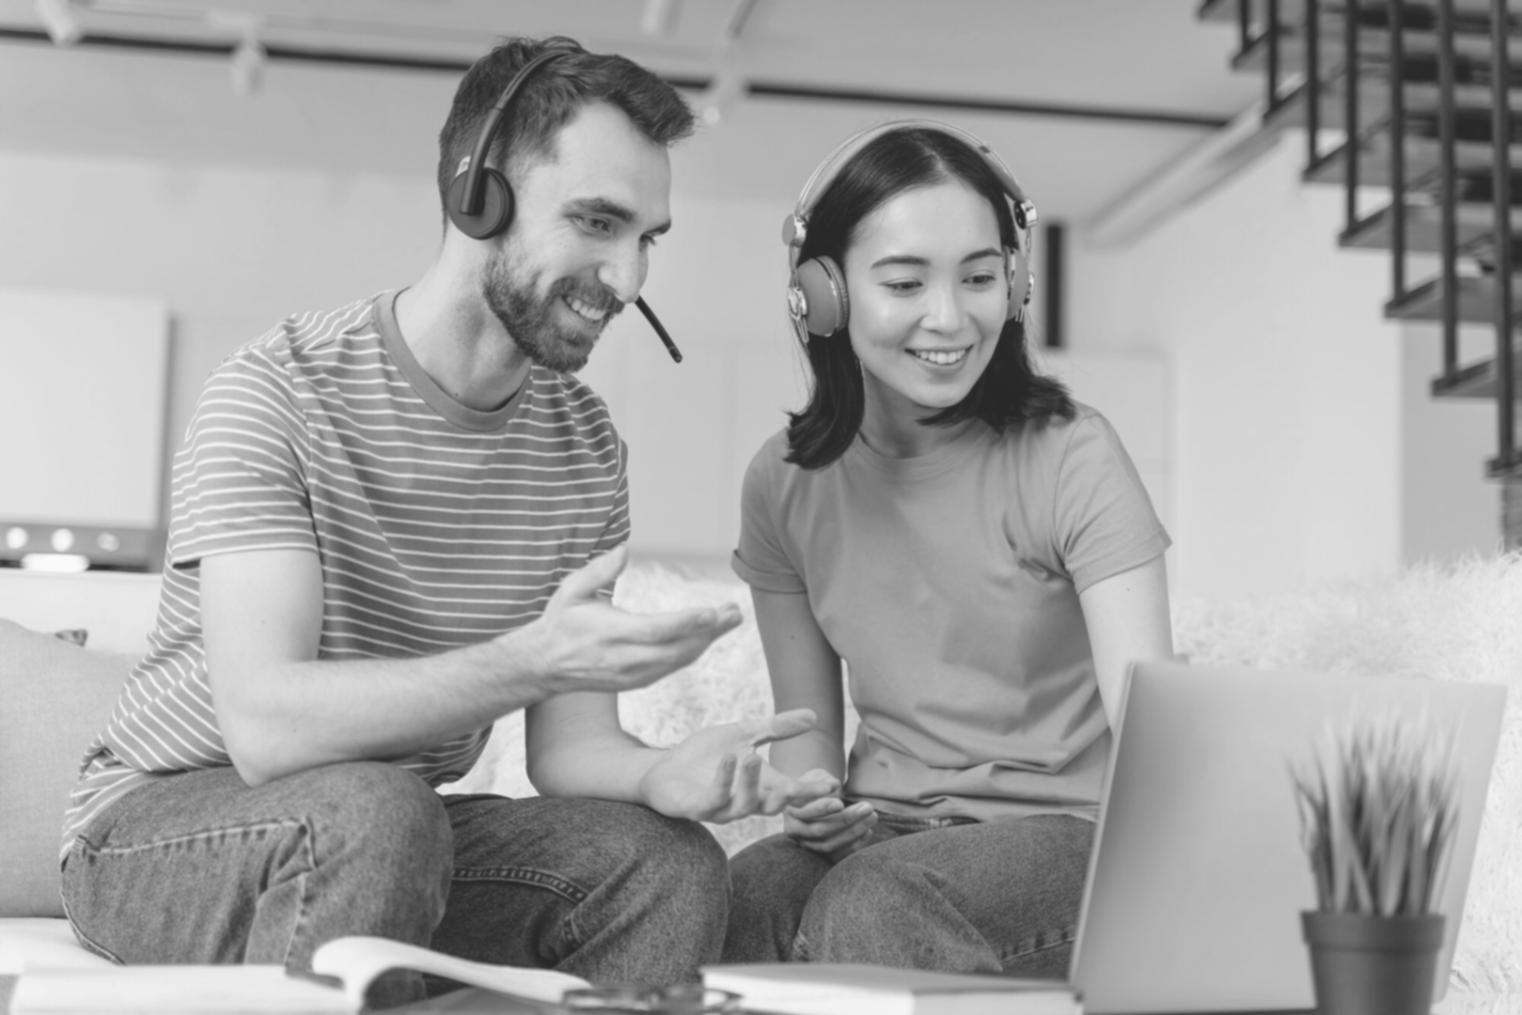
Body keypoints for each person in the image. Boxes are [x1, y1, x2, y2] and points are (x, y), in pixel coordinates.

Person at [59, 35, 832, 1007]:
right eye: (596, 222)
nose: (629, 279)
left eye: (647, 237)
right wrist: (528, 660)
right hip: (162, 826)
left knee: (661, 860)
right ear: (478, 195)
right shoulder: (277, 393)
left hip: (389, 830)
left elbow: (566, 749)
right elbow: (265, 727)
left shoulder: (585, 451)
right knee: (378, 811)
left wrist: (658, 774)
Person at [721, 120, 1175, 978]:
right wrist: (811, 802)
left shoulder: (1071, 454)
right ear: (821, 293)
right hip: (888, 829)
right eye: (904, 281)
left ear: (1016, 282)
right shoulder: (782, 484)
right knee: (744, 892)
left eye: (979, 277)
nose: (951, 316)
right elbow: (808, 733)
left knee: (877, 899)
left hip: (1072, 837)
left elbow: (1156, 731)